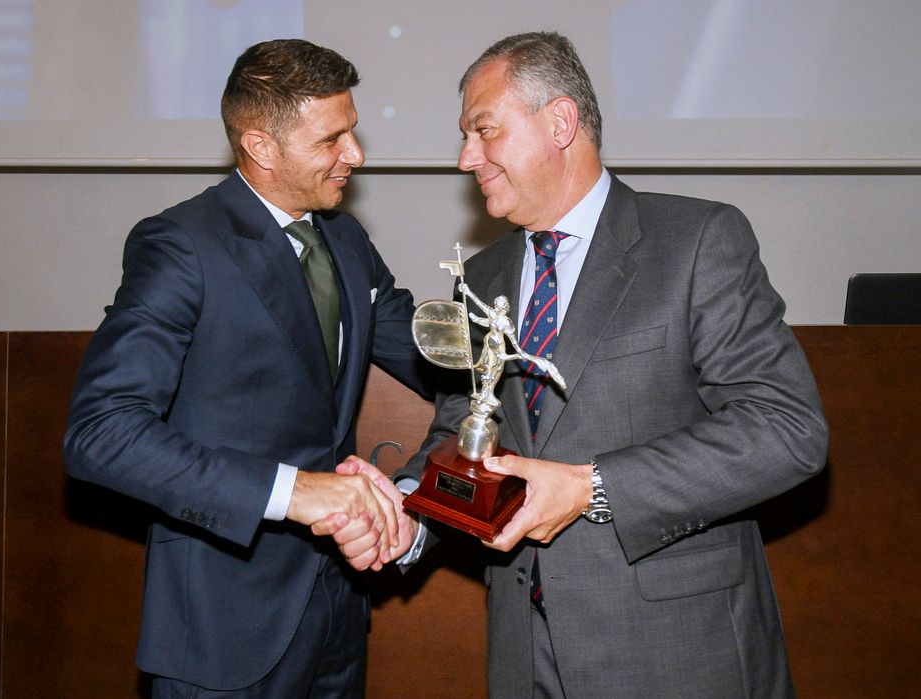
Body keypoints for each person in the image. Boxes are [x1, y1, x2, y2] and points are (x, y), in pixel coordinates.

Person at [337, 31, 829, 697]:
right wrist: (406, 512)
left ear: (560, 121)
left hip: (676, 655)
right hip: (524, 655)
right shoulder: (481, 276)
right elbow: (464, 435)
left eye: (484, 131)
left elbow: (787, 431)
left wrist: (591, 486)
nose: (464, 158)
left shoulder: (696, 242)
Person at [62, 39, 430, 697]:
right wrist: (298, 491)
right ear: (261, 147)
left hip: (338, 619)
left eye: (354, 131)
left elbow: (436, 356)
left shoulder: (345, 240)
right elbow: (101, 433)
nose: (356, 155)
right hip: (222, 629)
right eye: (332, 139)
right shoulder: (183, 245)